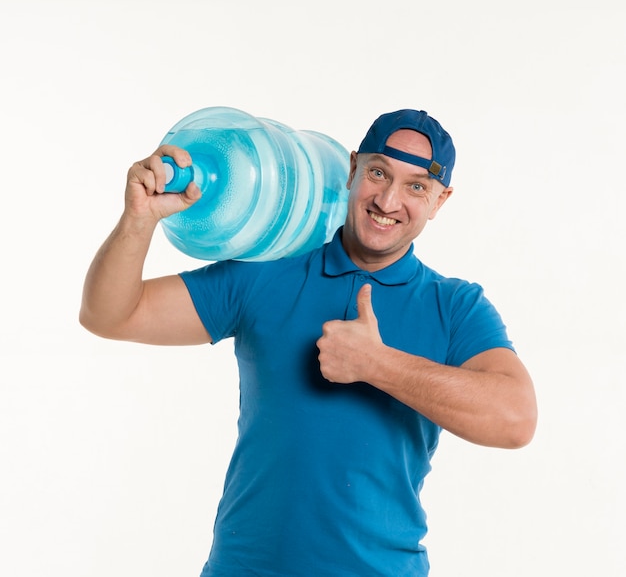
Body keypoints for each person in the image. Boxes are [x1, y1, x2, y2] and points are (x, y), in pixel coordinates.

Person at [80, 109, 537, 576]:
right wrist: (139, 219)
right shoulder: (266, 268)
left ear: (441, 201)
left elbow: (515, 419)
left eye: (417, 186)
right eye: (378, 173)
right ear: (354, 168)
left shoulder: (454, 306)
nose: (389, 200)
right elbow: (110, 314)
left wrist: (377, 365)